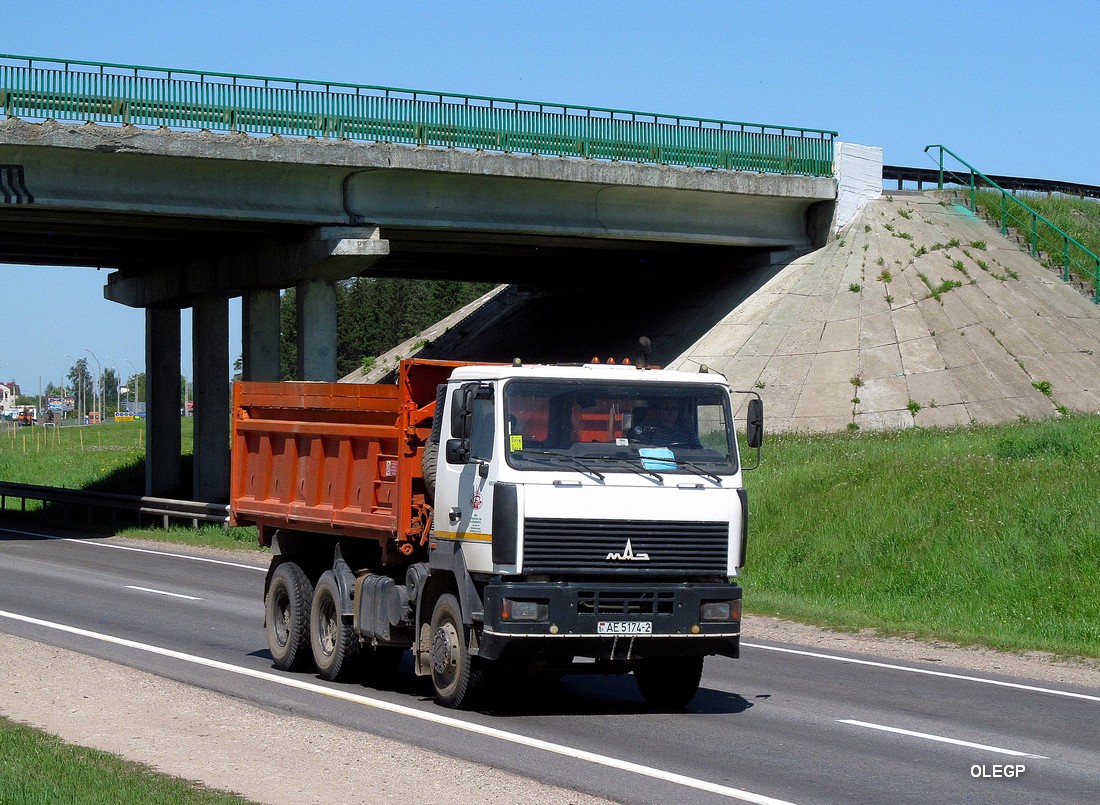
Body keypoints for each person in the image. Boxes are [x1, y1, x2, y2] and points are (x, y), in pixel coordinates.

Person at [629, 398, 699, 447]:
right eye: (667, 409)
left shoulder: (687, 430)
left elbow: (698, 449)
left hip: (686, 465)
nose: (671, 412)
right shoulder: (647, 429)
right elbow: (640, 450)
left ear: (679, 411)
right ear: (660, 411)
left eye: (674, 408)